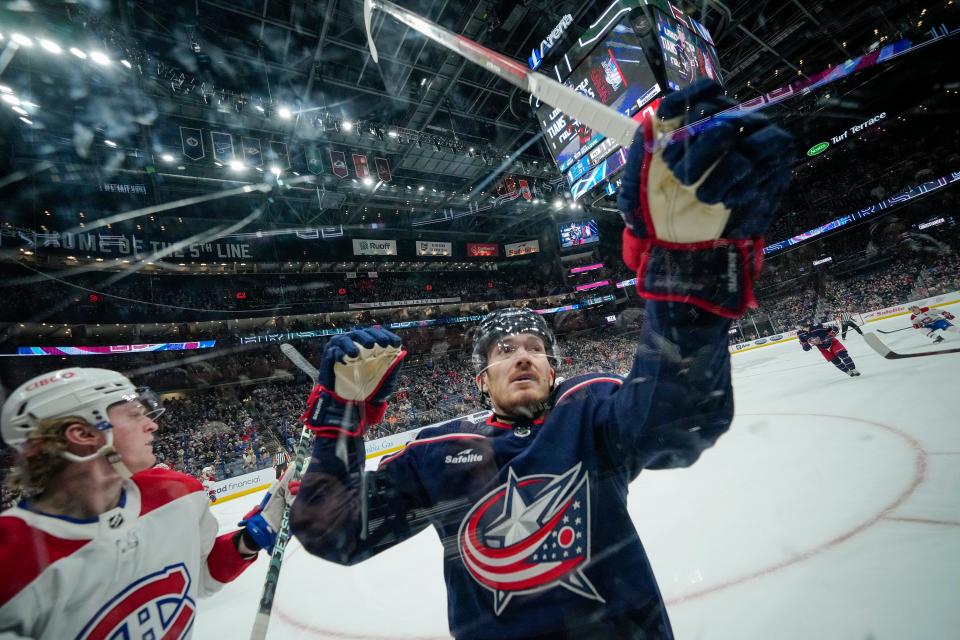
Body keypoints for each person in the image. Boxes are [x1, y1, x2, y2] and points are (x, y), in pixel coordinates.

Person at [291, 80, 794, 639]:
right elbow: (333, 532)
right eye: (506, 352)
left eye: (535, 348)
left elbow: (680, 422)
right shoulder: (435, 453)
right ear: (482, 382)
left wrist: (688, 272)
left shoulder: (589, 413)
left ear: (555, 371)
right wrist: (340, 416)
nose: (524, 357)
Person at [0, 367, 298, 638]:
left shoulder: (179, 493)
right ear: (83, 434)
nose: (152, 425)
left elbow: (200, 575)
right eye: (133, 414)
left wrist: (255, 535)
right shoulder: (11, 556)